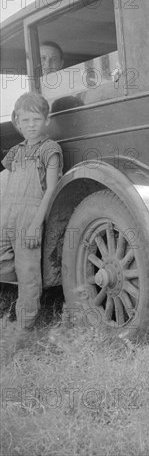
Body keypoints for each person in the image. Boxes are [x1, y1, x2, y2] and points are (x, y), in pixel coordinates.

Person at [0, 92, 63, 330]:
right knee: (15, 266)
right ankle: (29, 279)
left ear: (46, 120)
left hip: (30, 217)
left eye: (36, 120)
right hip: (6, 214)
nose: (30, 125)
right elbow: (4, 181)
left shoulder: (50, 149)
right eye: (25, 120)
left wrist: (37, 224)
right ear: (17, 122)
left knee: (28, 276)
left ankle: (23, 328)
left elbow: (52, 189)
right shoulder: (15, 151)